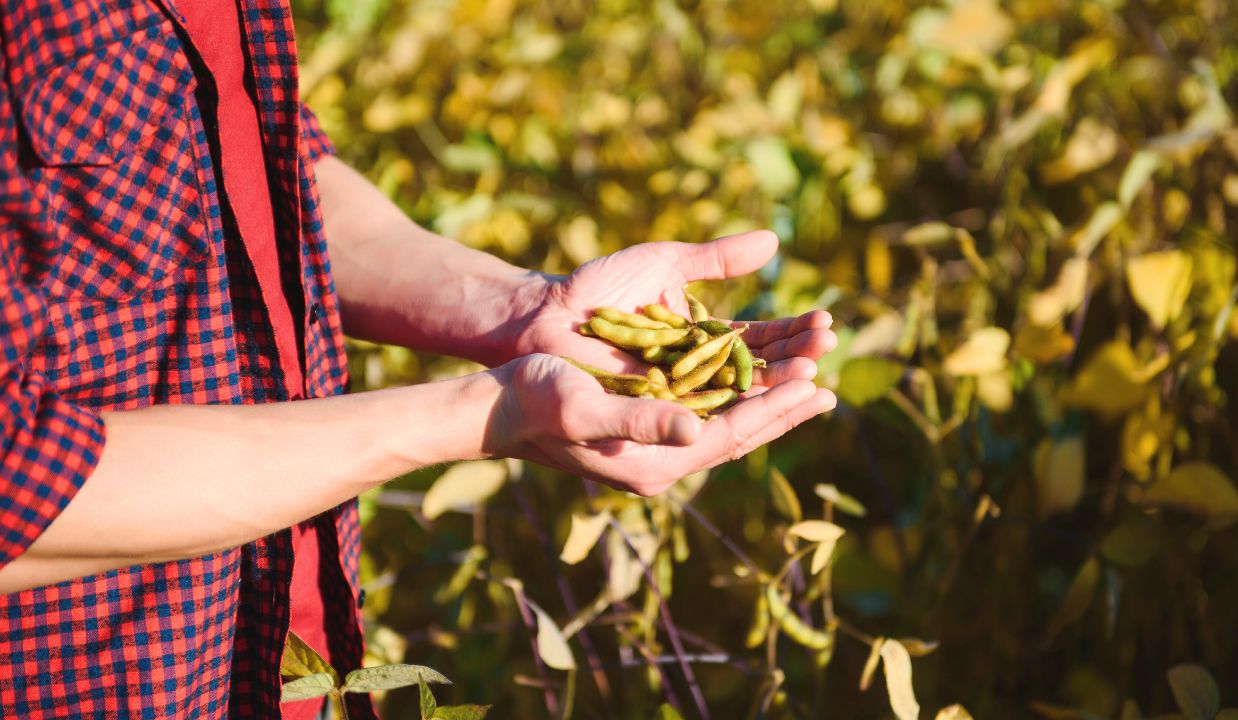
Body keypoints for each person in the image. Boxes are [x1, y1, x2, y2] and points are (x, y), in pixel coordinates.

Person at [0, 0, 837, 717]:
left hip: (267, 651)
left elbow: (263, 175)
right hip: (92, 678)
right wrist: (485, 413)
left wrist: (526, 309)